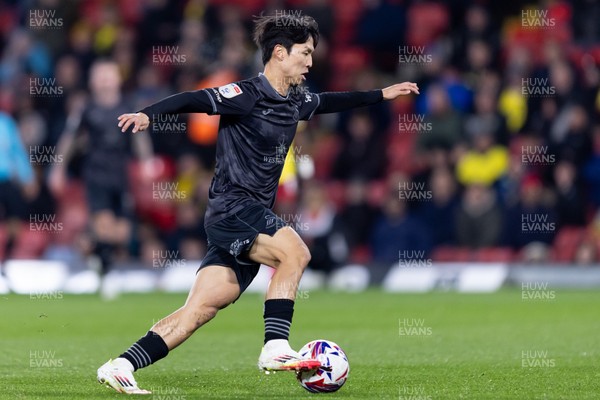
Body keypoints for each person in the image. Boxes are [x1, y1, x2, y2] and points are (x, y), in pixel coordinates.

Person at [97, 13, 419, 394]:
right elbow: (194, 99)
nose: (311, 62)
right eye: (305, 53)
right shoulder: (246, 94)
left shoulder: (296, 100)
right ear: (280, 53)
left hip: (242, 218)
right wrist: (147, 115)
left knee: (198, 311)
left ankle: (121, 364)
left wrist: (381, 94)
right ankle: (275, 346)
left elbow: (333, 101)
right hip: (232, 209)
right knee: (296, 253)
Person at [49, 60, 153, 288]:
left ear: (118, 79)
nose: (105, 79)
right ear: (93, 81)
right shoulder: (86, 108)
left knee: (123, 233)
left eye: (109, 74)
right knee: (104, 224)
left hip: (120, 174)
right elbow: (70, 139)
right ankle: (106, 276)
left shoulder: (129, 105)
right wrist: (58, 168)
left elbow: (139, 137)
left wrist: (147, 162)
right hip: (95, 174)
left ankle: (91, 248)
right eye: (100, 75)